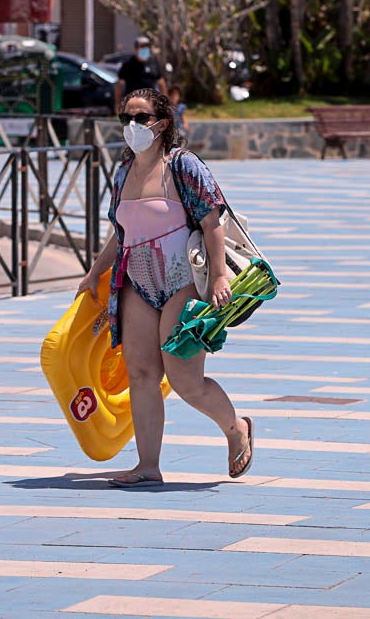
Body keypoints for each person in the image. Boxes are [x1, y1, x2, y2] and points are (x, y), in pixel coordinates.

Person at [76, 87, 253, 487]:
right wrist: (94, 273)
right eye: (126, 119)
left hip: (183, 283)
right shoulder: (123, 171)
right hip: (138, 283)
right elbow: (121, 234)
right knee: (140, 373)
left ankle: (235, 427)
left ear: (163, 122)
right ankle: (148, 465)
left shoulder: (183, 166)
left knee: (184, 380)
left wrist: (221, 275)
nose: (133, 126)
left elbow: (213, 223)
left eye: (141, 118)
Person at [114, 35, 166, 108]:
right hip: (133, 105)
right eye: (142, 47)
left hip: (150, 104)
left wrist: (164, 102)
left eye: (146, 47)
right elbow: (119, 85)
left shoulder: (153, 63)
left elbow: (161, 83)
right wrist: (118, 104)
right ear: (135, 49)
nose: (144, 50)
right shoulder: (128, 65)